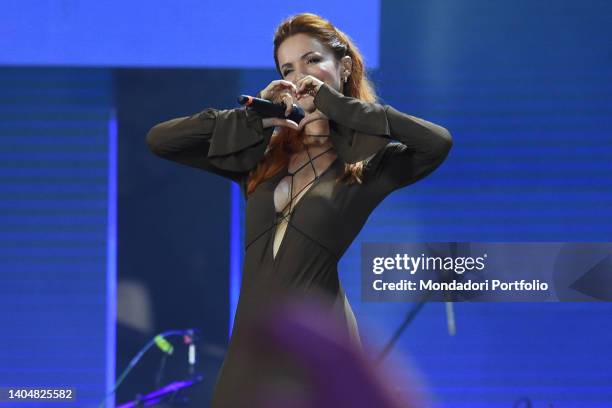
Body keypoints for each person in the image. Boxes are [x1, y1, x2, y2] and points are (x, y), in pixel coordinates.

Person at [146, 12, 452, 408]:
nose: (300, 76)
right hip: (251, 350)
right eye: (288, 68)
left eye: (312, 60)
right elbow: (161, 140)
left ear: (343, 67)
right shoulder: (259, 157)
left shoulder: (368, 165)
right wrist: (256, 119)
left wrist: (338, 105)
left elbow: (437, 143)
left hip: (319, 348)